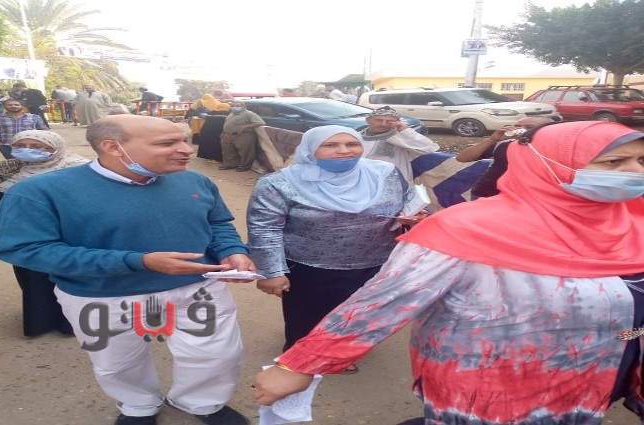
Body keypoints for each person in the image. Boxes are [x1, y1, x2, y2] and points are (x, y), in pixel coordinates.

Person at [254, 121, 644, 425]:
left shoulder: (634, 222)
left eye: (640, 161)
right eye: (613, 163)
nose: (633, 172)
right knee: (307, 311)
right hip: (485, 392)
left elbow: (406, 199)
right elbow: (384, 303)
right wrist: (301, 362)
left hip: (596, 382)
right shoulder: (466, 229)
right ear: (547, 164)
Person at [0, 115, 253, 425]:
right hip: (103, 295)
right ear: (113, 147)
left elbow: (217, 222)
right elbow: (24, 248)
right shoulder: (40, 191)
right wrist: (137, 261)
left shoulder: (194, 181)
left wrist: (232, 251)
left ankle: (202, 402)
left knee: (216, 354)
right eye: (168, 143)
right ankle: (138, 405)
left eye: (184, 140)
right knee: (117, 362)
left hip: (197, 287)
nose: (186, 150)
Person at [248, 125, 422, 361]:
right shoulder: (279, 184)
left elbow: (408, 201)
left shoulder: (385, 173)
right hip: (310, 267)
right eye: (330, 145)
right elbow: (264, 228)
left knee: (358, 313)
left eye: (352, 144)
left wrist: (416, 215)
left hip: (375, 263)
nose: (344, 151)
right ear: (310, 149)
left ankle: (340, 354)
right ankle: (302, 360)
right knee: (307, 317)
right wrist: (271, 271)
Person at [0, 130, 87, 336]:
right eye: (21, 146)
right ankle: (41, 321)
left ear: (55, 148)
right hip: (23, 235)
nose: (28, 150)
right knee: (33, 275)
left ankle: (70, 322)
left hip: (67, 233)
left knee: (68, 273)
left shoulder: (78, 169)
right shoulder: (2, 170)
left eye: (38, 147)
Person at [456, 116, 555, 198]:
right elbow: (462, 158)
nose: (520, 129)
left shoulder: (554, 149)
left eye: (529, 127)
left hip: (526, 199)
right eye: (517, 126)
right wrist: (492, 139)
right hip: (487, 194)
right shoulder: (504, 144)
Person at [360, 106, 439, 182]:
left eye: (389, 122)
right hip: (365, 179)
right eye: (379, 120)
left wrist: (406, 131)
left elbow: (430, 149)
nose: (383, 124)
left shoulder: (401, 137)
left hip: (393, 181)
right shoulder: (357, 137)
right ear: (368, 120)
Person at [219, 101, 264, 171]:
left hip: (243, 135)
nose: (235, 107)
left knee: (245, 152)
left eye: (238, 106)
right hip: (228, 135)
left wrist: (245, 126)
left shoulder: (249, 114)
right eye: (233, 106)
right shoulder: (232, 114)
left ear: (243, 106)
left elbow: (260, 122)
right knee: (228, 151)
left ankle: (244, 166)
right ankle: (230, 164)